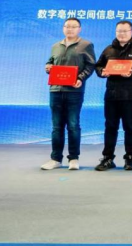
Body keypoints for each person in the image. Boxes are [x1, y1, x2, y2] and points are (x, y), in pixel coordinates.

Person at [93, 20, 132, 171]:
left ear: (131, 32)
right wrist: (102, 72)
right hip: (111, 95)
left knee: (130, 127)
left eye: (125, 31)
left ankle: (129, 158)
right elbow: (98, 66)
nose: (122, 34)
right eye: (119, 31)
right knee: (110, 127)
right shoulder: (109, 49)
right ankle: (108, 158)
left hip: (130, 95)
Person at [42, 17, 96, 171]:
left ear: (79, 29)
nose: (70, 29)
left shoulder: (86, 45)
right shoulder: (55, 46)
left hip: (74, 91)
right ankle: (55, 159)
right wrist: (48, 66)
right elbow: (50, 61)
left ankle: (73, 158)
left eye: (73, 26)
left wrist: (80, 78)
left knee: (73, 125)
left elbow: (91, 65)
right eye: (67, 26)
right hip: (55, 90)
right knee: (56, 127)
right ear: (63, 28)